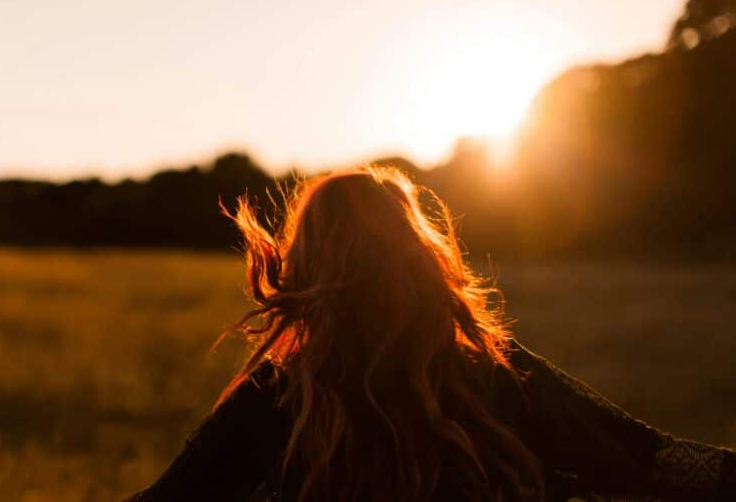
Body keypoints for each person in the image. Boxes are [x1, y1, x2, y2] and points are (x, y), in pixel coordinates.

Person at [123, 167, 736, 501]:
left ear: (305, 269)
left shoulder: (277, 400)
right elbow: (652, 461)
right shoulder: (492, 376)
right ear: (420, 262)